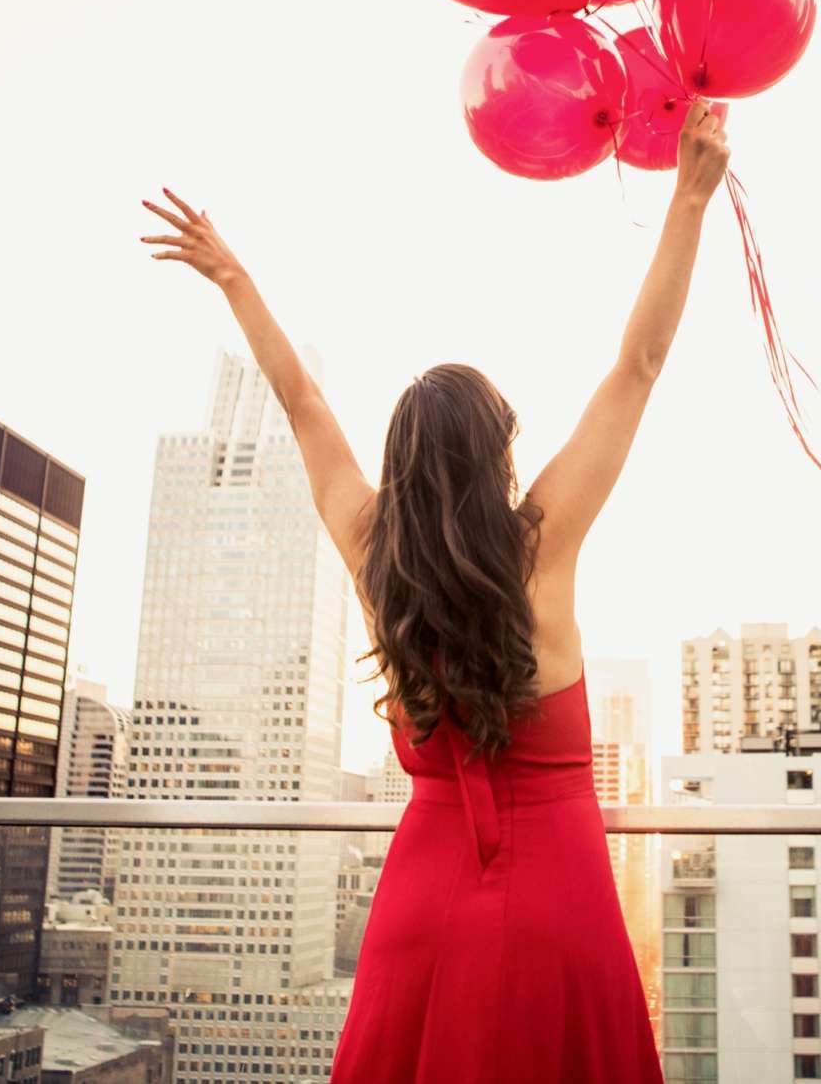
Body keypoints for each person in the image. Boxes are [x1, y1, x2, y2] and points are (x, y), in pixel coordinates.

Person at [140, 100, 730, 1082]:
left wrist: (231, 274)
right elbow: (638, 364)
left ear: (401, 467)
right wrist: (689, 197)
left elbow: (300, 401)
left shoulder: (377, 556)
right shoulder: (539, 545)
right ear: (498, 452)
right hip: (560, 903)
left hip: (420, 909)